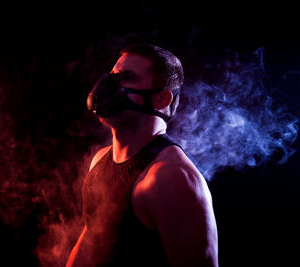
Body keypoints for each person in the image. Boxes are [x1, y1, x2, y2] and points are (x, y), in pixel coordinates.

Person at [66, 44, 218, 267]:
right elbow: (91, 238)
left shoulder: (171, 178)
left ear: (161, 99)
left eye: (127, 78)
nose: (108, 85)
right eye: (112, 76)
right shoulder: (99, 160)